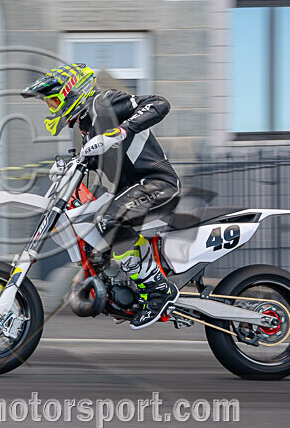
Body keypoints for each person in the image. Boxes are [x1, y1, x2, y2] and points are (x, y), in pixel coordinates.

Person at [21, 63, 181, 329]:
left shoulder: (104, 103)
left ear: (71, 92)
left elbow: (159, 103)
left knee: (108, 221)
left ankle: (159, 290)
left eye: (52, 101)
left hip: (156, 183)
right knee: (95, 230)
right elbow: (101, 158)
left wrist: (122, 130)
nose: (51, 108)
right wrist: (68, 164)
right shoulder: (87, 125)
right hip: (132, 190)